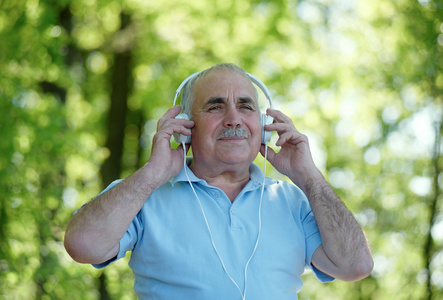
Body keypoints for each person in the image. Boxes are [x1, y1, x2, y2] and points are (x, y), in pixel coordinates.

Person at [64, 63, 373, 299]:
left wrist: (309, 177)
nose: (234, 119)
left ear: (263, 126)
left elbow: (355, 266)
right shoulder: (146, 194)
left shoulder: (293, 201)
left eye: (246, 106)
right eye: (215, 106)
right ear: (186, 125)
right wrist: (152, 175)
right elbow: (83, 245)